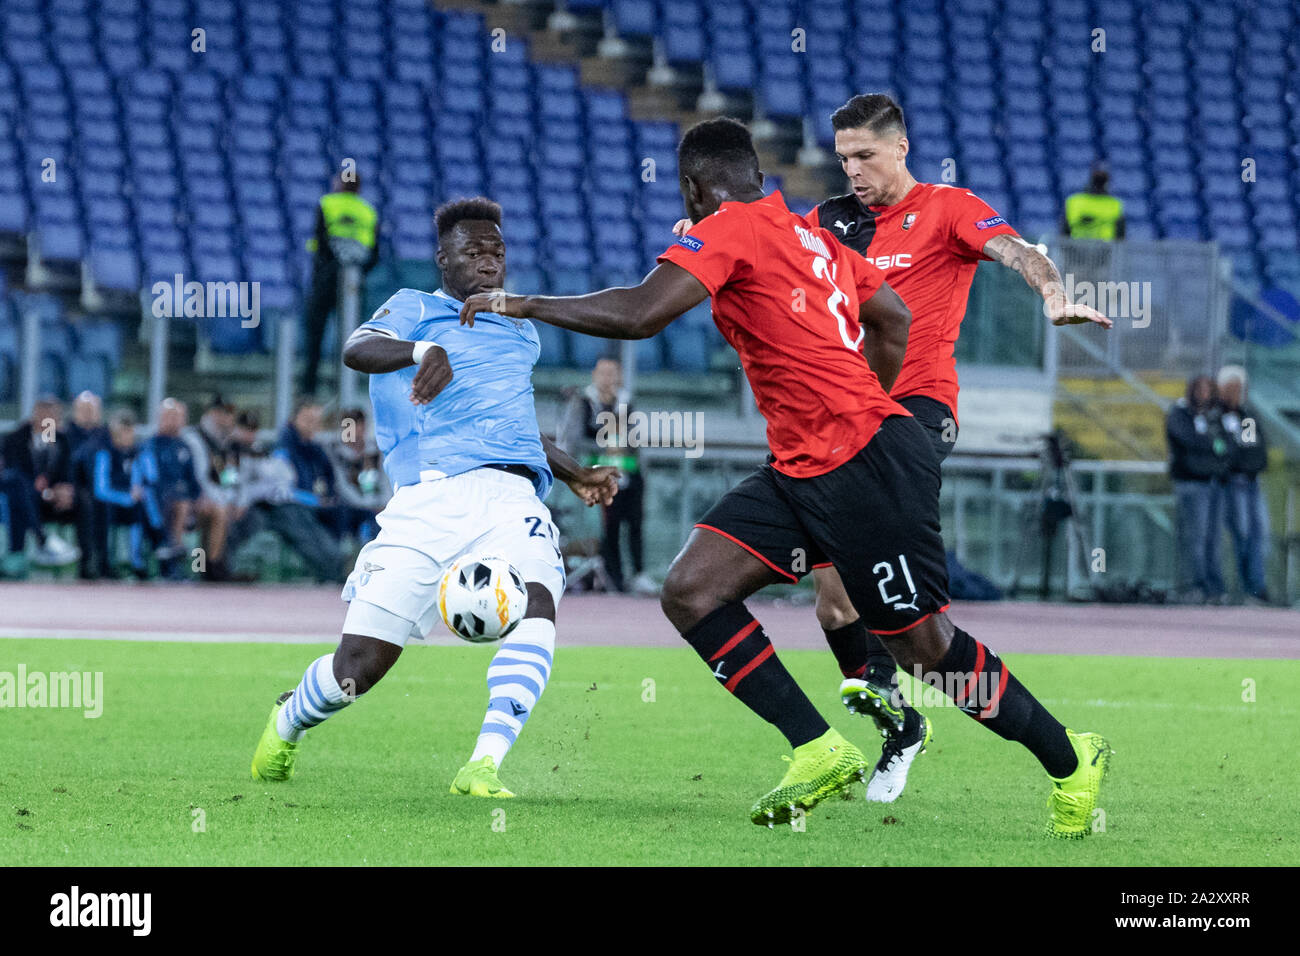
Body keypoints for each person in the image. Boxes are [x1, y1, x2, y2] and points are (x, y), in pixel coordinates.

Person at [462, 118, 1111, 836]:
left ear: (692, 188)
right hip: (805, 466)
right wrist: (864, 398)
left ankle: (1070, 758)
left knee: (923, 647)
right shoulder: (814, 239)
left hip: (866, 465)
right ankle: (816, 748)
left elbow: (641, 313)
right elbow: (891, 316)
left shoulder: (732, 229)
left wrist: (518, 302)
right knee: (693, 589)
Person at [677, 93, 1112, 802]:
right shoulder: (824, 224)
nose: (853, 170)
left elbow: (1018, 251)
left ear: (902, 149)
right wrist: (710, 229)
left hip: (913, 416)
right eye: (843, 157)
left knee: (888, 621)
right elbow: (758, 244)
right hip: (837, 426)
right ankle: (896, 722)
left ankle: (889, 685)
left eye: (866, 156)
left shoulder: (948, 208)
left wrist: (1052, 293)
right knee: (833, 607)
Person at [250, 197, 620, 799]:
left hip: (511, 497)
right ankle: (288, 718)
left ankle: (483, 764)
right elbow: (355, 348)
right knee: (358, 669)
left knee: (538, 604)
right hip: (428, 499)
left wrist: (573, 470)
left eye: (496, 251)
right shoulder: (414, 308)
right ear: (442, 258)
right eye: (472, 251)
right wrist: (425, 350)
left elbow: (512, 422)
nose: (488, 261)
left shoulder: (521, 330)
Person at [563, 356, 654, 594]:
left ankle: (639, 573)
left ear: (620, 377)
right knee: (609, 527)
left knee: (635, 524)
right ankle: (614, 577)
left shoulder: (627, 403)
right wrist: (602, 447)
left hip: (628, 473)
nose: (607, 379)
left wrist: (626, 447)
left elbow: (638, 440)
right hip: (597, 474)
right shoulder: (583, 402)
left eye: (612, 373)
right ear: (594, 375)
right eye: (603, 373)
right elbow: (571, 441)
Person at [300, 170, 382, 398]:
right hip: (353, 282)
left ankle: (310, 387)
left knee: (315, 333)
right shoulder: (368, 211)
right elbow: (375, 252)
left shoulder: (327, 204)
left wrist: (331, 267)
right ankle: (346, 389)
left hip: (326, 278)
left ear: (339, 183)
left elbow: (321, 240)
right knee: (350, 335)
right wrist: (357, 270)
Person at [1166, 375, 1230, 603]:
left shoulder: (1216, 415)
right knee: (1195, 537)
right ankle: (1194, 586)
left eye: (1208, 390)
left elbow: (1227, 444)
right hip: (1191, 483)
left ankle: (1215, 588)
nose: (1204, 394)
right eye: (1200, 390)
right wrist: (1210, 444)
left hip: (1215, 484)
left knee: (1214, 539)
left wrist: (1211, 445)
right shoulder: (1179, 412)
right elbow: (1188, 441)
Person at [0, 396, 80, 570]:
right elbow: (14, 471)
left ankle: (89, 563)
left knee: (84, 499)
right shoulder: (16, 437)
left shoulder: (59, 439)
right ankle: (42, 540)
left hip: (47, 495)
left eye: (52, 415)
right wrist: (46, 492)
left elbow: (64, 471)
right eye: (44, 414)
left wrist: (64, 489)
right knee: (18, 488)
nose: (48, 419)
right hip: (22, 490)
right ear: (35, 414)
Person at [1213, 366, 1270, 603]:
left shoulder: (1248, 416)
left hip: (1252, 481)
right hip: (1233, 484)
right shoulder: (1216, 416)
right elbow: (1222, 450)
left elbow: (1257, 448)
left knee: (1261, 533)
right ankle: (1246, 586)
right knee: (1242, 533)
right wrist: (1236, 463)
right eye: (1233, 387)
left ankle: (1257, 585)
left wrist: (1249, 465)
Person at [90, 409, 166, 578]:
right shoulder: (105, 454)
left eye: (130, 431)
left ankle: (140, 560)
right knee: (131, 507)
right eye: (123, 431)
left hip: (134, 505)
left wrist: (145, 457)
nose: (127, 436)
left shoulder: (138, 453)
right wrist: (126, 498)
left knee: (145, 503)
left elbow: (151, 478)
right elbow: (100, 490)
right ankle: (158, 542)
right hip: (110, 504)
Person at [325, 406, 389, 546]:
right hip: (348, 507)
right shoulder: (334, 451)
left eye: (360, 427)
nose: (356, 433)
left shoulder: (374, 451)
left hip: (374, 505)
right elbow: (341, 484)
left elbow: (383, 481)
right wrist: (366, 505)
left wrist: (383, 503)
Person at [65, 391, 110, 579]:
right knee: (87, 503)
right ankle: (87, 561)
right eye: (83, 410)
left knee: (106, 502)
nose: (88, 414)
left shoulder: (106, 434)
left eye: (92, 410)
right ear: (74, 411)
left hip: (101, 487)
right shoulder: (65, 433)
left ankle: (105, 561)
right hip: (75, 486)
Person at [1062, 164, 1126, 241]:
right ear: (1107, 183)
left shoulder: (1074, 201)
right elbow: (1120, 235)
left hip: (1077, 248)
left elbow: (1064, 231)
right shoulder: (1115, 204)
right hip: (1103, 249)